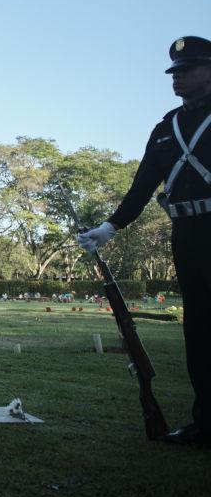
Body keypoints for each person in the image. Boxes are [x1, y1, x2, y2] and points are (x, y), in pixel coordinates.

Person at [78, 36, 211, 445]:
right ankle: (204, 420)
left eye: (187, 69)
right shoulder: (166, 128)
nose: (177, 77)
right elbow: (142, 187)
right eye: (174, 72)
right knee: (199, 329)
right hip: (186, 233)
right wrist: (110, 226)